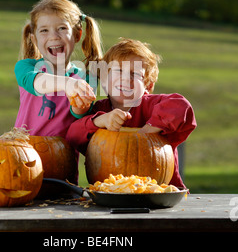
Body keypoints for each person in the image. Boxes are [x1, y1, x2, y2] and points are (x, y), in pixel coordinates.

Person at [66, 38, 196, 189]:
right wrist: (101, 121)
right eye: (119, 71)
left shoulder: (151, 105)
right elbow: (73, 136)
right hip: (109, 193)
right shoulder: (100, 110)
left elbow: (181, 105)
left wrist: (147, 131)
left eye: (135, 74)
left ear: (148, 84)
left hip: (159, 193)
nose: (126, 78)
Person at [14, 0, 103, 138]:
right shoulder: (26, 66)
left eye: (62, 28)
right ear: (34, 39)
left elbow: (80, 114)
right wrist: (67, 83)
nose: (54, 36)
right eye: (44, 30)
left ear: (77, 35)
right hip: (22, 152)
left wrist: (81, 101)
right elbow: (37, 83)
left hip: (61, 156)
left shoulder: (86, 78)